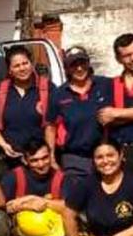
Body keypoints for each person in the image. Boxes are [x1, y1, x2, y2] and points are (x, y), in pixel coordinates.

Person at [0, 140, 75, 236]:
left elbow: (70, 207)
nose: (41, 164)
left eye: (45, 158)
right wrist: (26, 205)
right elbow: (3, 206)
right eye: (34, 160)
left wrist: (42, 201)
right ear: (25, 160)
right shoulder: (13, 177)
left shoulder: (62, 177)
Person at [0, 46, 55, 174]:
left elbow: (51, 125)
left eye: (25, 63)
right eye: (16, 66)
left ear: (31, 64)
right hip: (11, 161)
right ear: (9, 70)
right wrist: (3, 144)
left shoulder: (47, 88)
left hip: (40, 161)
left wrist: (51, 155)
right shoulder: (0, 91)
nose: (22, 68)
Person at [46, 46, 113, 184]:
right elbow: (50, 127)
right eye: (73, 65)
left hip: (106, 156)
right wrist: (51, 156)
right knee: (77, 200)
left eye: (82, 63)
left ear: (88, 63)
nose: (79, 68)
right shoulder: (59, 94)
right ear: (66, 68)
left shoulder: (106, 85)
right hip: (75, 159)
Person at [100, 33, 133, 171]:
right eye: (126, 55)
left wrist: (118, 113)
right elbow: (105, 118)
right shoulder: (111, 85)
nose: (132, 59)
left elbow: (113, 116)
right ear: (118, 59)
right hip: (122, 152)